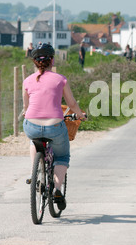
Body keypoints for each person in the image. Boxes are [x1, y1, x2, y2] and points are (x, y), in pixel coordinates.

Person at [22, 43, 87, 210]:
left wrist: (27, 113)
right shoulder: (60, 79)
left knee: (33, 140)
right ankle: (57, 189)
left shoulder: (27, 80)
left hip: (32, 125)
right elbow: (71, 103)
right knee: (62, 157)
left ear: (35, 62)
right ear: (52, 60)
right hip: (54, 126)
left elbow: (26, 107)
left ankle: (34, 173)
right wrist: (80, 115)